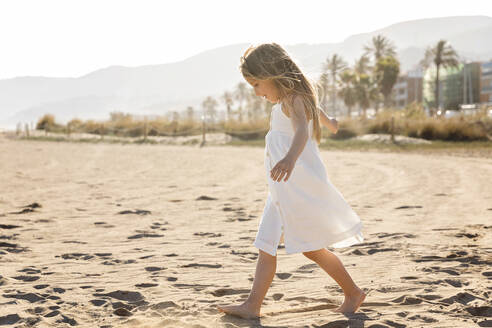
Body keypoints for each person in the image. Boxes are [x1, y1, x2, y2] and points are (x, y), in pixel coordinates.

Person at [218, 43, 365, 319]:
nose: (257, 92)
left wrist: (288, 159)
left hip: (295, 185)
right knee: (269, 241)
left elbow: (300, 133)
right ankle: (253, 304)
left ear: (272, 74)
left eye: (257, 84)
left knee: (308, 247)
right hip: (282, 188)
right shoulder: (298, 97)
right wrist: (330, 121)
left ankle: (353, 292)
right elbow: (316, 110)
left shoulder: (293, 100)